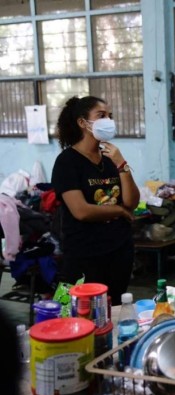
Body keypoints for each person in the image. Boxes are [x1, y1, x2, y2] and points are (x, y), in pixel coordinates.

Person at [51, 96, 140, 306]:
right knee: (85, 312)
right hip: (85, 254)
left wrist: (121, 164)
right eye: (101, 116)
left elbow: (131, 202)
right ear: (83, 123)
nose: (108, 120)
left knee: (115, 308)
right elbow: (81, 210)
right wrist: (119, 211)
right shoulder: (67, 162)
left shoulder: (110, 158)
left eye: (110, 116)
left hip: (119, 250)